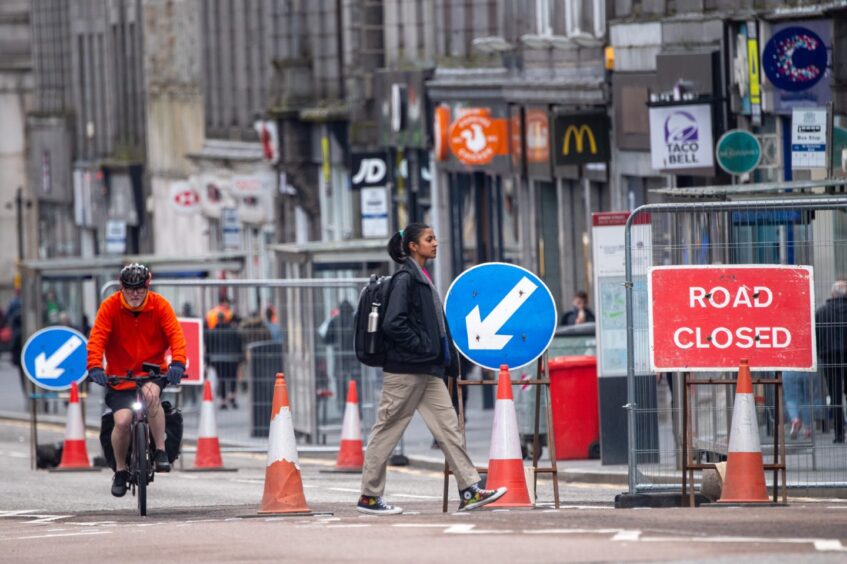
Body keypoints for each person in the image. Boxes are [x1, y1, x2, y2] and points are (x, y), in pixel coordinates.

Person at [357, 223, 506, 515]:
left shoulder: (421, 276)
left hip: (427, 370)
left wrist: (442, 358)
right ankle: (369, 497)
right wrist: (425, 347)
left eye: (435, 237)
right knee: (388, 430)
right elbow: (393, 323)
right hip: (405, 370)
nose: (435, 243)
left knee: (449, 428)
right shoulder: (405, 279)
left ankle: (470, 489)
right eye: (429, 239)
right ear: (413, 246)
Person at [86, 263, 187, 497]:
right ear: (121, 288)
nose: (134, 294)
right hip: (119, 377)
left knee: (151, 397)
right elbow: (97, 338)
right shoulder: (109, 307)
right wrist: (94, 366)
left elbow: (176, 335)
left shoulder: (160, 305)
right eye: (129, 289)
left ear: (147, 287)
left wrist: (178, 363)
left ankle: (160, 451)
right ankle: (120, 470)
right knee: (122, 421)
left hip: (152, 373)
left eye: (139, 289)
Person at [815, 279, 847, 443]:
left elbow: (817, 337)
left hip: (829, 358)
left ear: (833, 294)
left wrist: (821, 352)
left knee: (835, 397)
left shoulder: (821, 313)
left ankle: (839, 434)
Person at [206, 313, 243, 409]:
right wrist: (240, 357)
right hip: (232, 359)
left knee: (221, 379)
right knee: (232, 378)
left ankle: (223, 401)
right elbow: (239, 344)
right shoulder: (233, 331)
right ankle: (232, 396)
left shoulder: (213, 332)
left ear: (217, 319)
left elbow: (209, 347)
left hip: (218, 359)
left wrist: (208, 360)